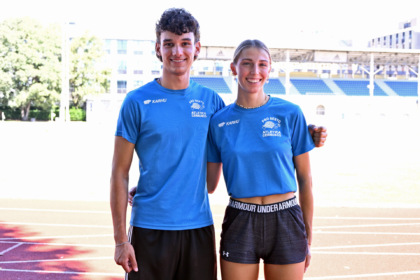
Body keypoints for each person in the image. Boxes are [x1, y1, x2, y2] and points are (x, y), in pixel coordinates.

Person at [112, 8, 327, 280]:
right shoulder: (136, 101)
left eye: (185, 43)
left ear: (197, 48)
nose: (177, 52)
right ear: (158, 48)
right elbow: (119, 172)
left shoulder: (212, 103)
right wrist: (122, 238)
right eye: (169, 44)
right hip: (150, 228)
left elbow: (250, 123)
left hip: (199, 228)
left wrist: (308, 133)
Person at [206, 39, 315, 280]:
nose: (255, 72)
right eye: (247, 64)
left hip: (286, 219)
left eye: (262, 64)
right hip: (240, 219)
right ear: (234, 68)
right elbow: (208, 184)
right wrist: (155, 181)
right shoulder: (218, 121)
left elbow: (306, 180)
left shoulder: (290, 113)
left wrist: (308, 235)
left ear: (270, 69)